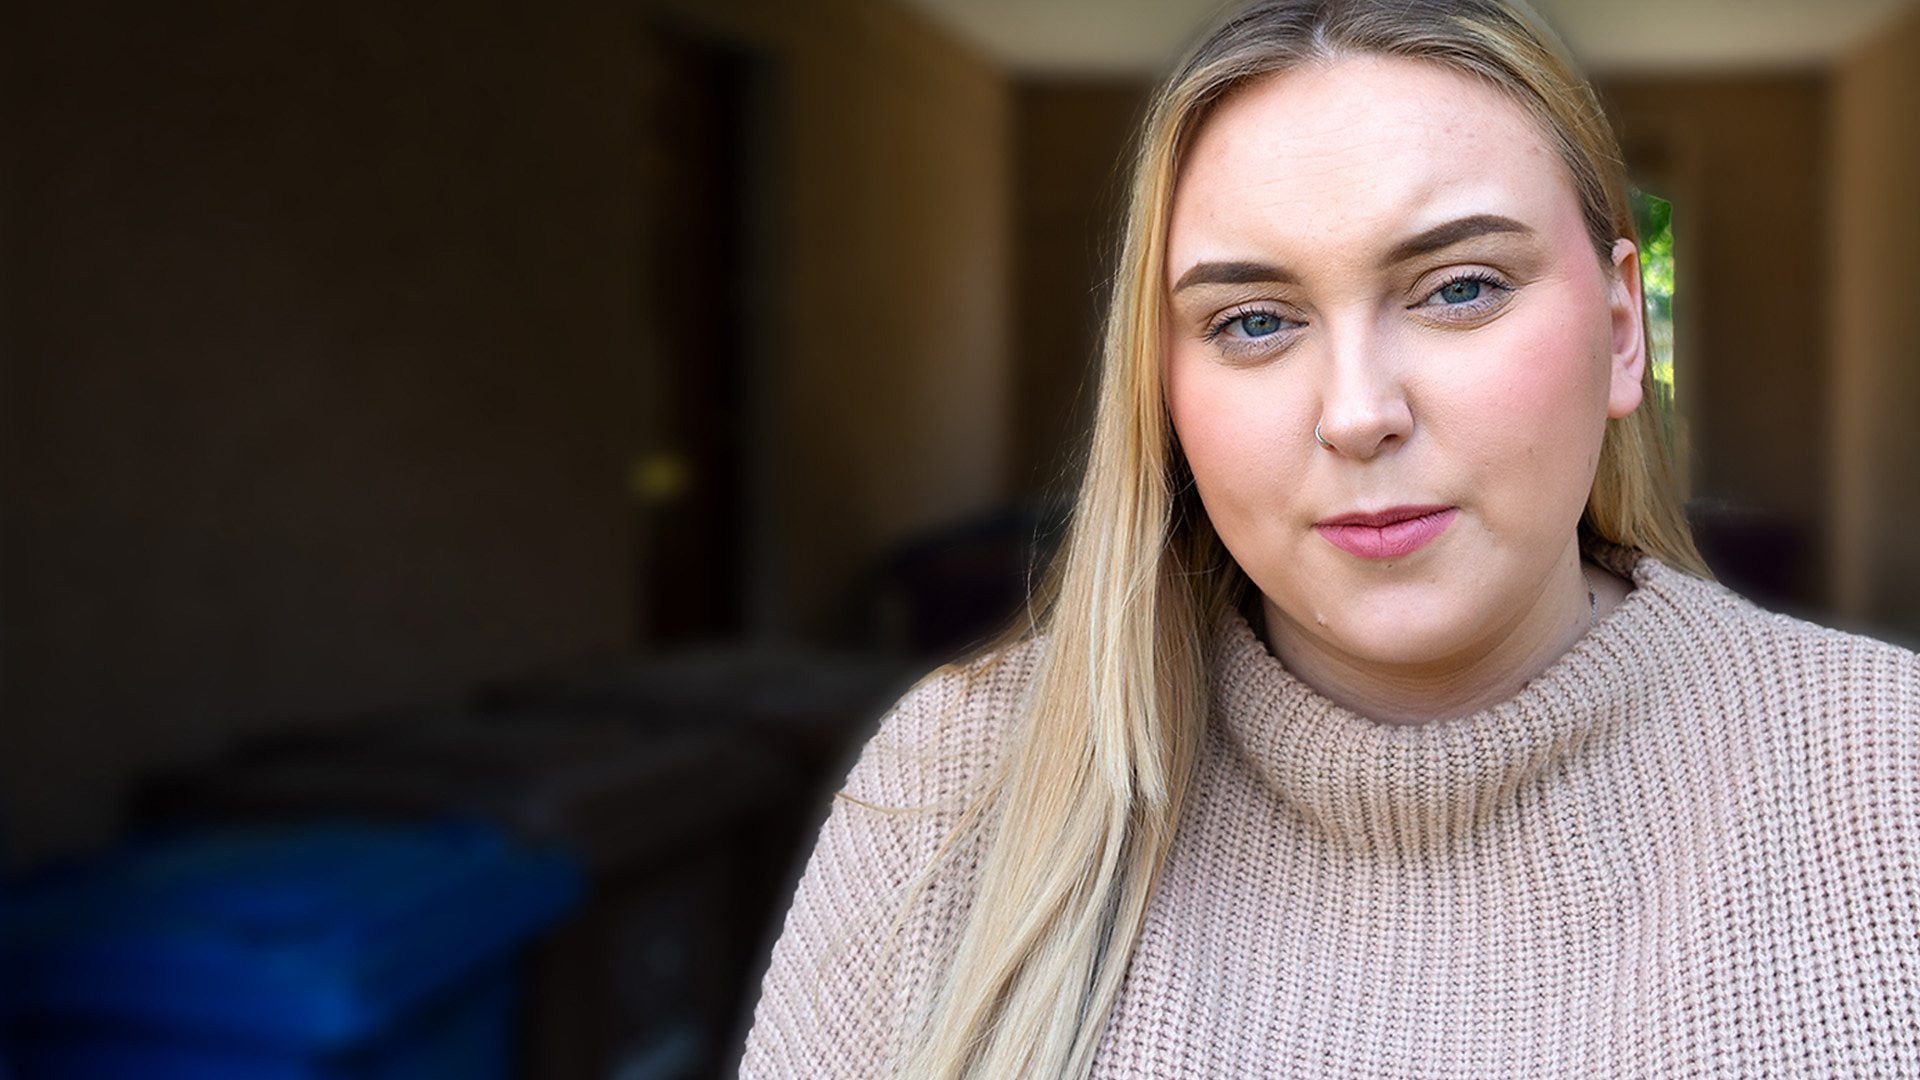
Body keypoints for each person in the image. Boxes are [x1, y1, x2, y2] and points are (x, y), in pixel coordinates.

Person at [737, 0, 1920, 1076]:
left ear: (1622, 332)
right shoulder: (958, 785)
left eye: (1460, 288)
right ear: (1163, 388)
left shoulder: (1888, 770)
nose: (1358, 414)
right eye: (1254, 320)